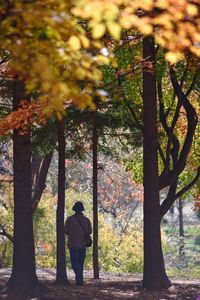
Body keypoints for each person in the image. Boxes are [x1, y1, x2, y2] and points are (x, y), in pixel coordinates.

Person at [64, 201, 92, 285]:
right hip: (83, 244)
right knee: (80, 263)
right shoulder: (86, 220)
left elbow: (66, 231)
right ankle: (79, 280)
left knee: (75, 264)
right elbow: (90, 231)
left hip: (73, 244)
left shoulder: (69, 219)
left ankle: (79, 279)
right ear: (82, 210)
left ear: (74, 210)